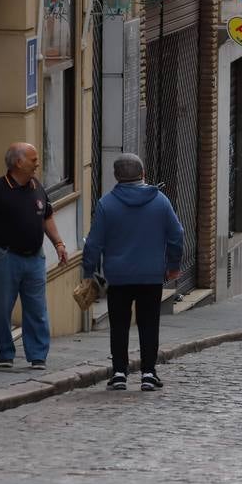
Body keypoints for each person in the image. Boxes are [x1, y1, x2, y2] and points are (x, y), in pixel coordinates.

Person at [83, 154, 184, 391]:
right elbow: (176, 234)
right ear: (143, 174)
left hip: (118, 276)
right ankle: (148, 373)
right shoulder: (160, 201)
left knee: (119, 324)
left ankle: (119, 372)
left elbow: (94, 243)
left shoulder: (106, 204)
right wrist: (173, 265)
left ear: (116, 176)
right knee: (149, 324)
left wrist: (88, 271)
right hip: (150, 274)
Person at [0, 143, 68, 370]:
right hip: (6, 256)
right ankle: (5, 354)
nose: (37, 163)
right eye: (33, 160)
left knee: (37, 308)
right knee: (3, 308)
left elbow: (47, 217)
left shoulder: (37, 187)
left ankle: (37, 356)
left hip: (35, 257)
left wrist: (59, 243)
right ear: (18, 163)